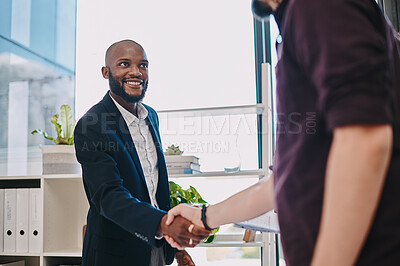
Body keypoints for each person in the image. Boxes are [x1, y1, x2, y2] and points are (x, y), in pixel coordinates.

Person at [165, 0, 400, 265]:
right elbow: (279, 184)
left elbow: (365, 140)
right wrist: (205, 216)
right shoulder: (299, 23)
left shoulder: (316, 7)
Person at [74, 39, 210, 266]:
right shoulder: (92, 125)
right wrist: (165, 223)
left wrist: (173, 247)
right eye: (124, 64)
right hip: (116, 255)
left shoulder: (151, 117)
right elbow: (109, 197)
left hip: (156, 247)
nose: (136, 72)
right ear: (106, 72)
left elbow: (154, 189)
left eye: (143, 65)